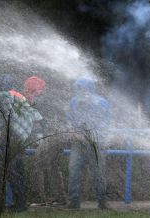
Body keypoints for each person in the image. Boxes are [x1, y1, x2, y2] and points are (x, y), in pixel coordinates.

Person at [0, 76, 46, 211]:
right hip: (18, 140)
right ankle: (19, 203)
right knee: (17, 171)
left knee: (13, 172)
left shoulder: (19, 98)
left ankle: (18, 204)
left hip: (13, 139)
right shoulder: (25, 99)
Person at [66, 77, 110, 209]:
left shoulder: (102, 103)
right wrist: (72, 131)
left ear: (89, 88)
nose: (78, 90)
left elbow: (105, 123)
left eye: (81, 87)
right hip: (78, 143)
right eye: (78, 87)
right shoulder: (74, 101)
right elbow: (69, 119)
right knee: (73, 170)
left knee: (98, 173)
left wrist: (92, 136)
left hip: (96, 143)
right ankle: (74, 202)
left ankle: (102, 202)